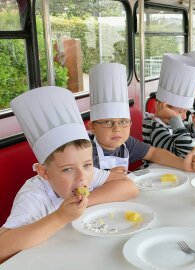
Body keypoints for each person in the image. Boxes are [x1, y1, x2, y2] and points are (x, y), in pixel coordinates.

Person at [0, 87, 138, 263]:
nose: (82, 178)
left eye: (87, 164)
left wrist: (84, 205)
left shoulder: (85, 174)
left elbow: (129, 187)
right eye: (67, 169)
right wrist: (61, 216)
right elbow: (2, 248)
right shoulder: (35, 194)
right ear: (44, 172)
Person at [88, 63, 195, 174]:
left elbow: (153, 153)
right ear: (92, 126)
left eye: (123, 122)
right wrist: (107, 178)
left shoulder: (126, 143)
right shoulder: (84, 153)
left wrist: (182, 164)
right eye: (107, 122)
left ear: (130, 124)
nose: (117, 128)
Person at [142, 53, 195, 158]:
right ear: (163, 107)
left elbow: (191, 135)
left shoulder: (170, 123)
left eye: (185, 111)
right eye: (180, 112)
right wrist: (175, 118)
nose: (185, 117)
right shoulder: (155, 129)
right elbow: (185, 153)